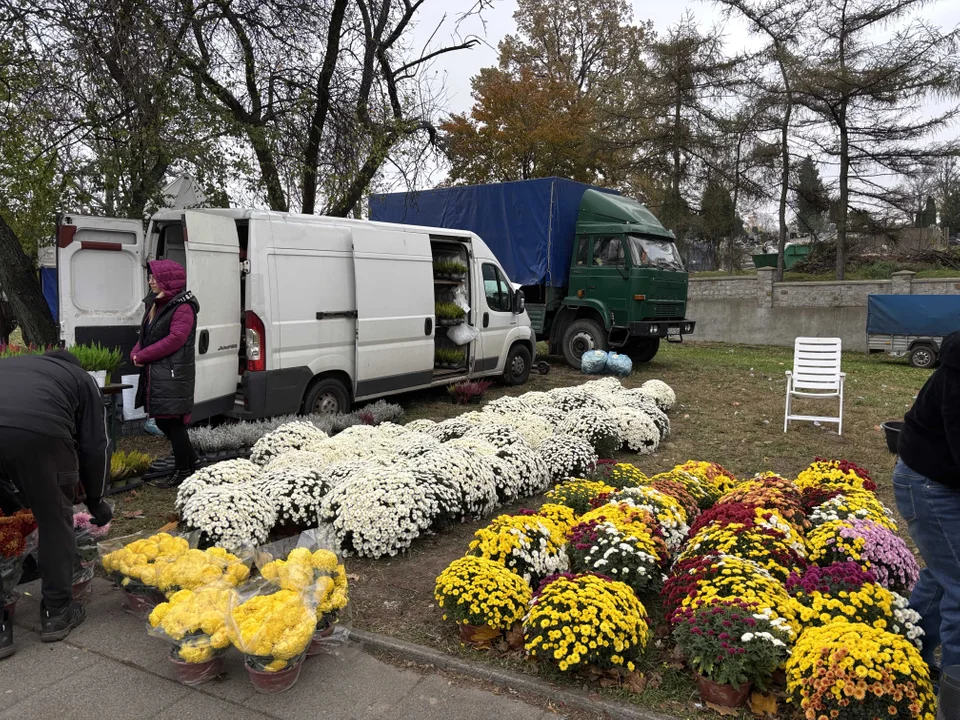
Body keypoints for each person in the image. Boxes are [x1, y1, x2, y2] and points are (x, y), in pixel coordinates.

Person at [0, 350, 113, 655]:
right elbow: (95, 444)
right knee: (54, 520)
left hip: (21, 427)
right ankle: (56, 611)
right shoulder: (81, 379)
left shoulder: (12, 365)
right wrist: (96, 499)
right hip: (38, 432)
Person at [895, 330, 960, 683]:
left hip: (941, 479)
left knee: (943, 573)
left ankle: (904, 659)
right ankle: (954, 695)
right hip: (929, 483)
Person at [131, 259, 200, 489]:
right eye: (150, 276)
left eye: (155, 277)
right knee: (163, 420)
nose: (150, 280)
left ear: (168, 280)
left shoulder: (183, 307)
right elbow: (146, 336)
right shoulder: (158, 305)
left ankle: (182, 471)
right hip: (160, 372)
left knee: (172, 421)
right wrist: (136, 352)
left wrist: (143, 356)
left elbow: (175, 340)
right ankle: (192, 463)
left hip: (173, 373)